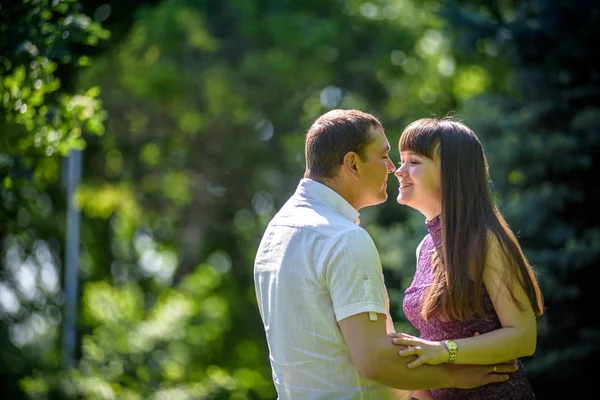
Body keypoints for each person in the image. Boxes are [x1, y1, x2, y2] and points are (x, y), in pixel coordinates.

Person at [253, 109, 518, 399]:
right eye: (384, 156)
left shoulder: (276, 232)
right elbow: (375, 361)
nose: (393, 168)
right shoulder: (342, 238)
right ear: (353, 164)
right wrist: (455, 376)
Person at [389, 117, 545, 400]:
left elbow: (523, 336)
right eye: (401, 160)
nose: (399, 171)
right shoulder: (424, 247)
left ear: (450, 173)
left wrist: (442, 351)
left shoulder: (485, 240)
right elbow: (430, 341)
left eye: (414, 161)